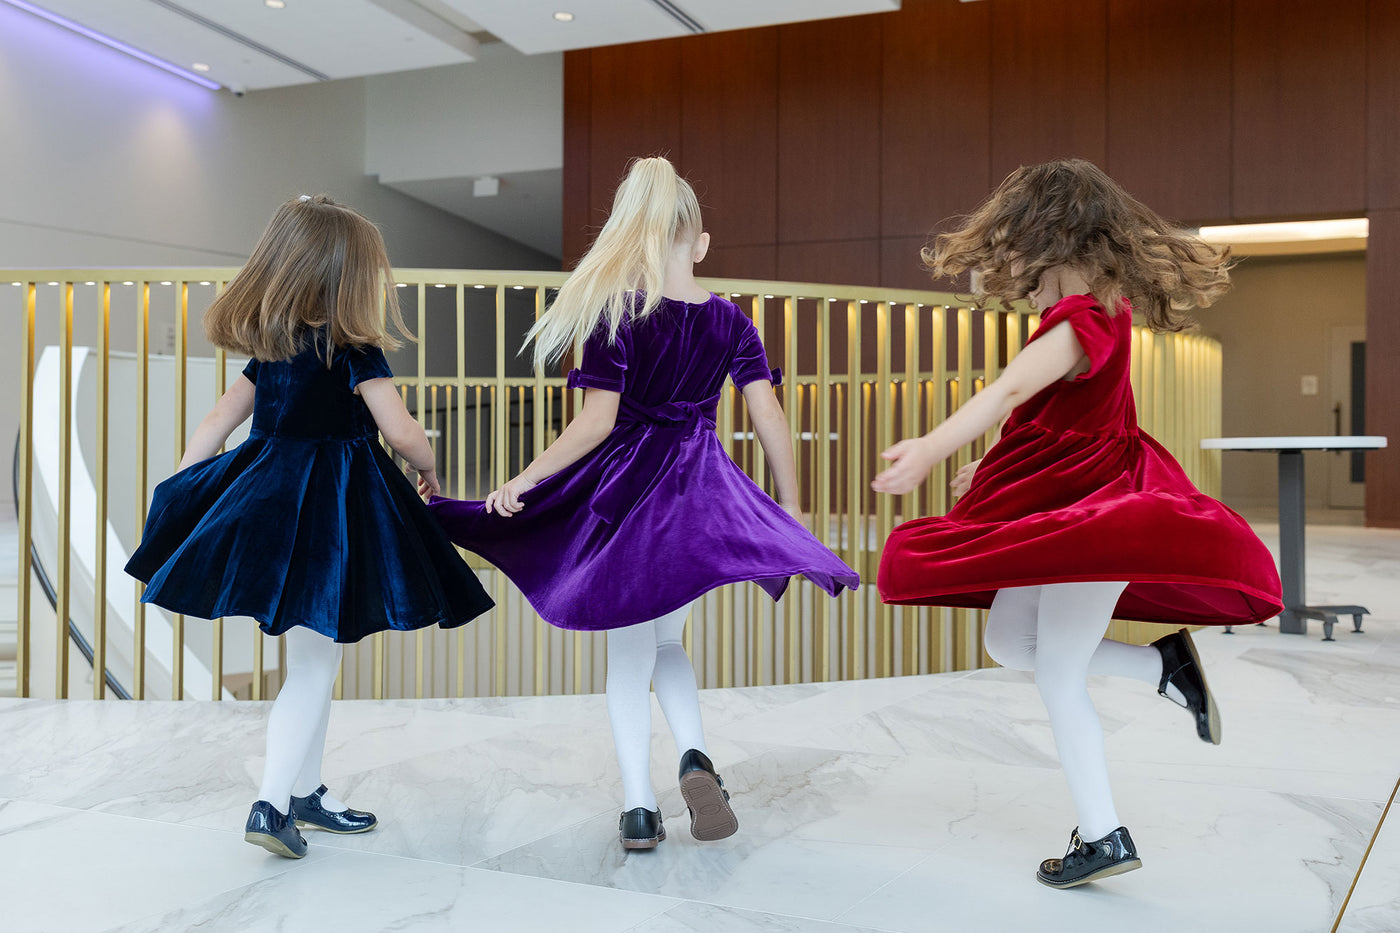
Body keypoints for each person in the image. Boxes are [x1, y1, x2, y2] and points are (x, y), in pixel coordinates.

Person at [872, 160, 1282, 888]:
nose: (1007, 267)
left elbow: (1008, 390)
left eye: (1013, 248)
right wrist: (993, 469)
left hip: (1097, 519)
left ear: (1050, 238)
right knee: (1008, 641)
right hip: (1076, 508)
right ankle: (1164, 667)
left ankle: (1104, 833)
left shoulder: (1082, 318)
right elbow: (1059, 419)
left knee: (1058, 670)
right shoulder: (1102, 313)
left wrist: (931, 449)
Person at [430, 157, 859, 851]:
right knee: (668, 640)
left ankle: (636, 805)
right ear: (701, 243)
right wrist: (793, 508)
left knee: (629, 654)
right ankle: (693, 754)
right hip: (698, 497)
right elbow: (769, 416)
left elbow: (595, 425)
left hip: (628, 498)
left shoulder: (618, 314)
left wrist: (524, 481)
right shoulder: (729, 321)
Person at [126, 194, 494, 859]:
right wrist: (430, 468)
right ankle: (271, 802)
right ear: (347, 276)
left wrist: (187, 488)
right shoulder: (354, 348)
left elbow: (215, 424)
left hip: (268, 505)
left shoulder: (269, 349)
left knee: (312, 657)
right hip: (333, 518)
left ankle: (306, 793)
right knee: (315, 664)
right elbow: (403, 431)